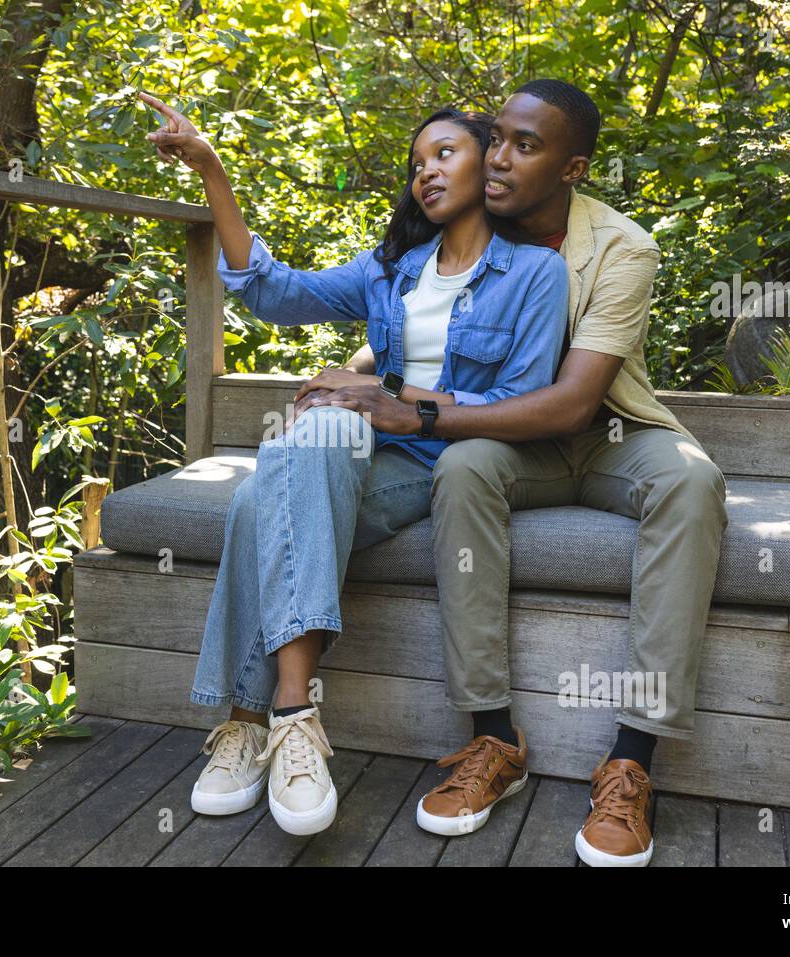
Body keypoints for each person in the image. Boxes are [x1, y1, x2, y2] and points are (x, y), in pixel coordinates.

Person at [307, 79, 729, 864]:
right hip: (501, 443)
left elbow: (572, 404)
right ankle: (492, 741)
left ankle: (633, 760)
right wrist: (359, 370)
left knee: (693, 481)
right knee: (464, 469)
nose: (497, 158)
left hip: (603, 431)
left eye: (524, 147)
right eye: (495, 136)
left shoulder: (621, 247)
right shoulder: (465, 214)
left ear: (572, 170)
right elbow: (412, 308)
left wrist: (418, 410)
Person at [138, 91, 568, 836]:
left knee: (259, 495)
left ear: (487, 163)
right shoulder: (389, 270)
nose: (426, 172)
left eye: (446, 153)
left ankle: (248, 720)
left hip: (450, 458)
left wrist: (386, 387)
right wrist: (209, 167)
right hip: (366, 452)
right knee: (312, 438)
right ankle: (294, 718)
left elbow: (520, 399)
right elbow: (273, 292)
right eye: (417, 164)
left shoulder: (535, 273)